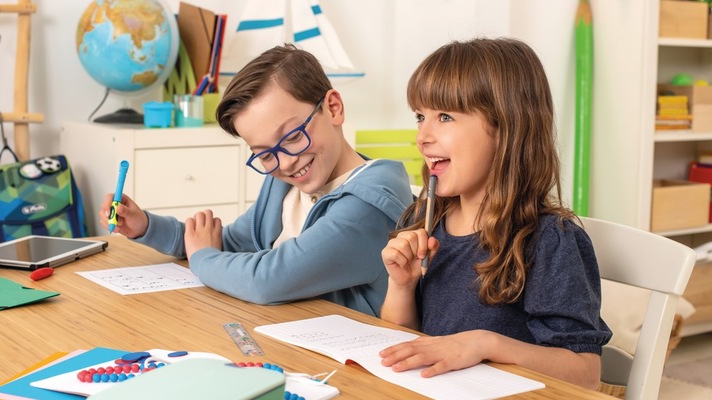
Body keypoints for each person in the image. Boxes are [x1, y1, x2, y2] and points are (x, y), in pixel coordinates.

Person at [98, 44, 413, 317]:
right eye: (265, 154)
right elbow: (227, 244)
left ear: (333, 108)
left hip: (349, 358)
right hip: (282, 336)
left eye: (293, 136)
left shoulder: (369, 205)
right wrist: (146, 226)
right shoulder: (284, 185)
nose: (285, 162)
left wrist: (203, 259)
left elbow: (269, 279)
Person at [377, 38, 611, 389]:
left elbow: (585, 374)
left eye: (444, 117)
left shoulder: (550, 241)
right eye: (420, 117)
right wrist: (401, 286)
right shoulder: (425, 219)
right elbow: (402, 349)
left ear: (505, 128)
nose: (422, 136)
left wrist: (486, 344)